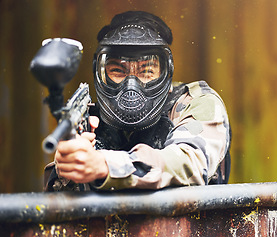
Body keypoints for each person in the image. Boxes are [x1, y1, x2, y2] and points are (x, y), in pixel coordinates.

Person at [43, 11, 231, 191]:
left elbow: (188, 164)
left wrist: (105, 165)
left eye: (146, 71)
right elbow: (60, 207)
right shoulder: (88, 120)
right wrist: (69, 168)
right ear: (99, 73)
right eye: (117, 71)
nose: (131, 85)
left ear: (166, 72)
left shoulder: (196, 103)